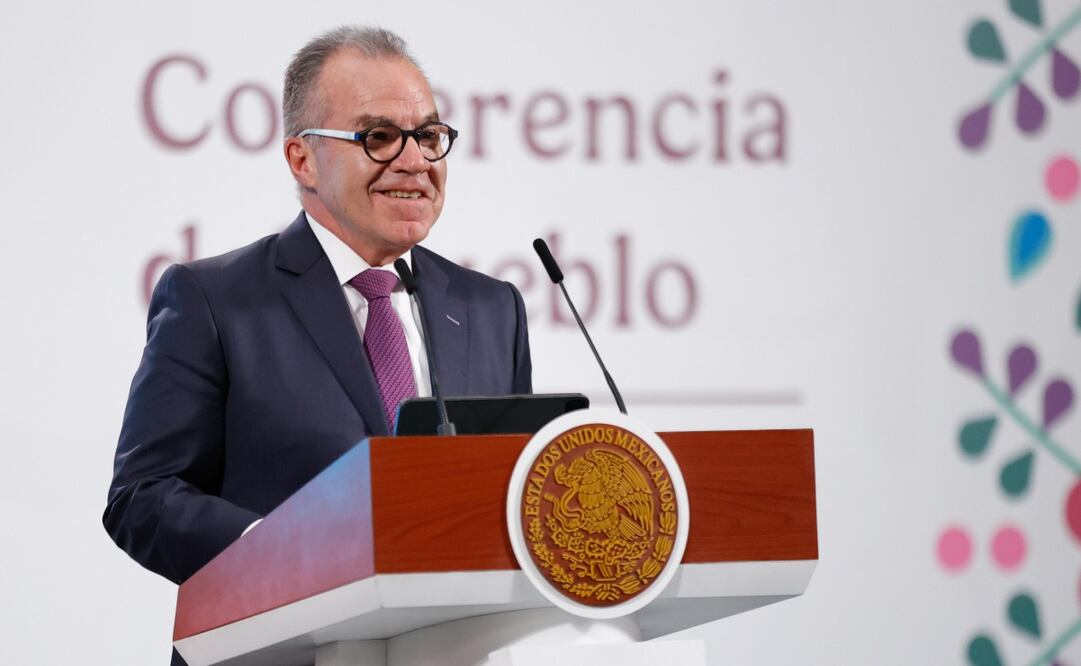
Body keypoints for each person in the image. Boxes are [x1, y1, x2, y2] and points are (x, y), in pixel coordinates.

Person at [102, 26, 532, 664]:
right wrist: (275, 549)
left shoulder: (491, 307)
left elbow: (516, 493)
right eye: (378, 137)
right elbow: (142, 497)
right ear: (302, 159)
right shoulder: (214, 298)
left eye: (430, 136)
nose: (415, 161)